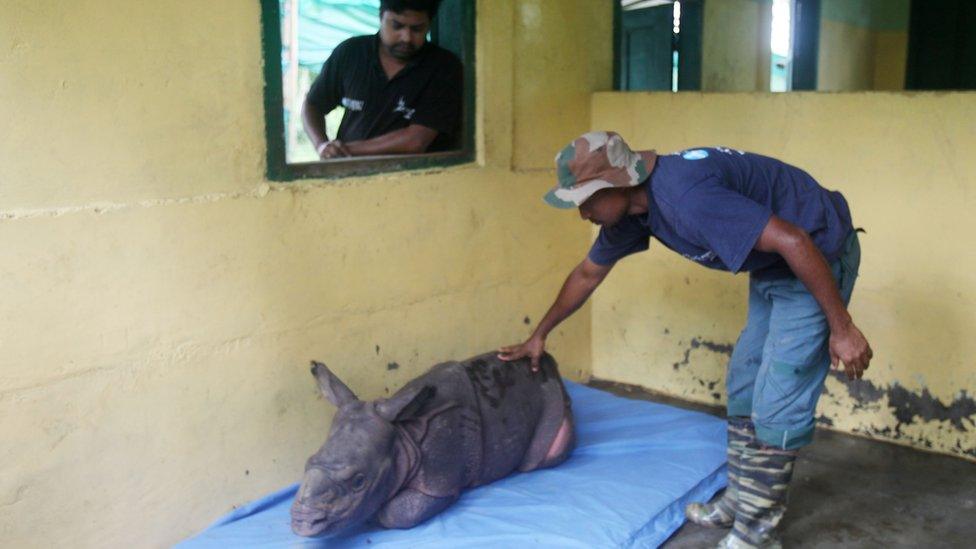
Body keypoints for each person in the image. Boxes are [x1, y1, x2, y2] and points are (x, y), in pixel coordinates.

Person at [498, 131, 873, 549]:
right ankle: (743, 500)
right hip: (778, 266)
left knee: (779, 397)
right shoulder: (634, 212)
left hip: (817, 254)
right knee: (745, 384)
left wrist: (842, 327)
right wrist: (540, 335)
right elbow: (588, 273)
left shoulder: (688, 199)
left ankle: (757, 532)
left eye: (586, 200)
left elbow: (794, 239)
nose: (582, 213)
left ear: (620, 182)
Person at [302, 0, 462, 159]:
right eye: (397, 26)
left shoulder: (444, 67)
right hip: (348, 175)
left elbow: (415, 141)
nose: (406, 37)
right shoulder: (350, 53)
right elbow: (312, 105)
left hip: (414, 178)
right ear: (381, 17)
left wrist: (344, 150)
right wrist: (321, 145)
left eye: (417, 29)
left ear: (429, 24)